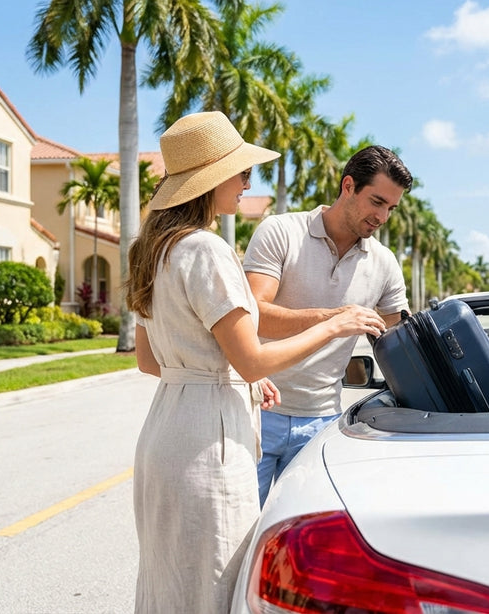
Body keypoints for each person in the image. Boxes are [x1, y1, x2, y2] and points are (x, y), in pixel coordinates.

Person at [125, 112, 387, 614]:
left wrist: (228, 376)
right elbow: (251, 359)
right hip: (210, 444)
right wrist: (334, 325)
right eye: (240, 171)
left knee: (169, 584)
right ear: (210, 179)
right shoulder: (207, 249)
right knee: (218, 585)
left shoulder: (152, 250)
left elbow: (148, 360)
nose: (249, 181)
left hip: (163, 432)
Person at [243, 145, 413, 505]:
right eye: (377, 202)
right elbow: (254, 312)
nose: (383, 217)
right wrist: (333, 318)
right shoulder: (281, 231)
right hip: (258, 411)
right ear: (348, 186)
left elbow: (397, 345)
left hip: (322, 424)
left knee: (304, 544)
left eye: (391, 208)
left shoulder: (384, 263)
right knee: (241, 538)